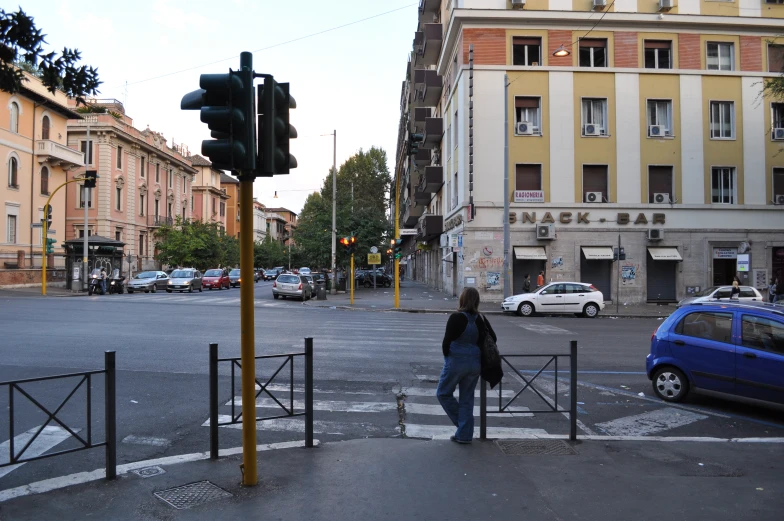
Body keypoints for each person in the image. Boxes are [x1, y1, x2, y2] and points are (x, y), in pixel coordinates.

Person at [436, 287, 497, 445]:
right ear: (477, 301)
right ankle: (464, 434)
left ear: (462, 299)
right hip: (474, 363)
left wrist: (448, 357)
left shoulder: (456, 317)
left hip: (456, 361)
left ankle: (464, 428)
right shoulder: (479, 319)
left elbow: (446, 342)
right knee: (467, 399)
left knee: (443, 393)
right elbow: (493, 339)